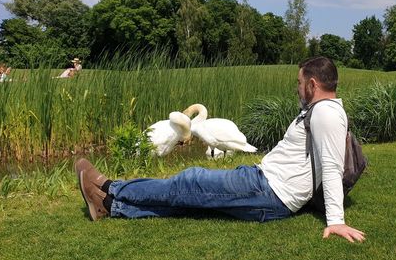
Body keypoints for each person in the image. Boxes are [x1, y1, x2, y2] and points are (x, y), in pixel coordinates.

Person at [76, 56, 366, 243]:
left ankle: (110, 187)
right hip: (262, 183)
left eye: (300, 83)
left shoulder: (326, 112)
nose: (297, 88)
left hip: (268, 191)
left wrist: (337, 221)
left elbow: (331, 166)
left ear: (313, 84)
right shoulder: (322, 110)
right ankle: (111, 206)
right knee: (189, 200)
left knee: (189, 181)